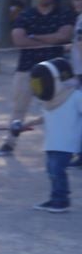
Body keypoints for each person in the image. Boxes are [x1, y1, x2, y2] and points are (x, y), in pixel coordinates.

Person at [0, 0, 74, 155]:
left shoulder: (65, 14)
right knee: (18, 107)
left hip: (55, 71)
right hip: (26, 68)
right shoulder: (25, 15)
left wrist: (34, 37)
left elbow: (63, 36)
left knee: (57, 108)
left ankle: (58, 145)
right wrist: (49, 40)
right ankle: (9, 143)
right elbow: (18, 40)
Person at [30, 58, 81, 212]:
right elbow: (44, 117)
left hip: (66, 142)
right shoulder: (50, 101)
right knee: (51, 170)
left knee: (57, 169)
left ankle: (61, 201)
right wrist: (23, 125)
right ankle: (55, 198)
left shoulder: (76, 96)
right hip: (52, 142)